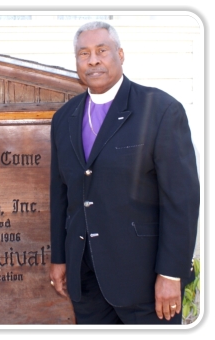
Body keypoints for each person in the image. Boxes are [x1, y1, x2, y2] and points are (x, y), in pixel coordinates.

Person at [49, 21, 199, 324]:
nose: (93, 60)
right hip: (86, 280)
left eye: (101, 51)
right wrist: (60, 258)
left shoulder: (160, 110)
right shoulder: (64, 118)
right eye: (84, 54)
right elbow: (60, 195)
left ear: (120, 54)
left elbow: (180, 200)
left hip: (145, 283)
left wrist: (170, 274)